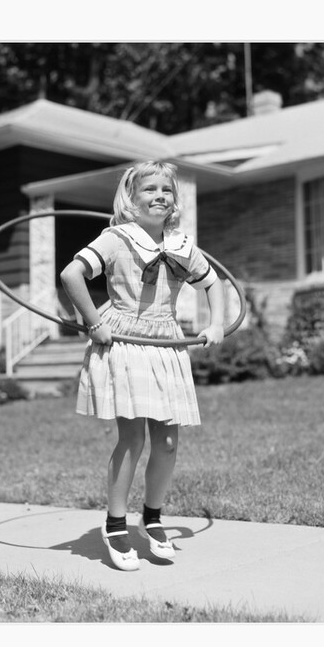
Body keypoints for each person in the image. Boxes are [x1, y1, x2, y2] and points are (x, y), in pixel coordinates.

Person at [60, 161, 224, 571]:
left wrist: (216, 321)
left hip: (166, 341)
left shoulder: (182, 245)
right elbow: (71, 274)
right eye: (149, 189)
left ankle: (152, 517)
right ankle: (115, 523)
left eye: (166, 190)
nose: (159, 196)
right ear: (130, 200)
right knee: (132, 439)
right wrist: (93, 322)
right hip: (125, 339)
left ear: (174, 201)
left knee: (168, 443)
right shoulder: (117, 239)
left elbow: (213, 282)